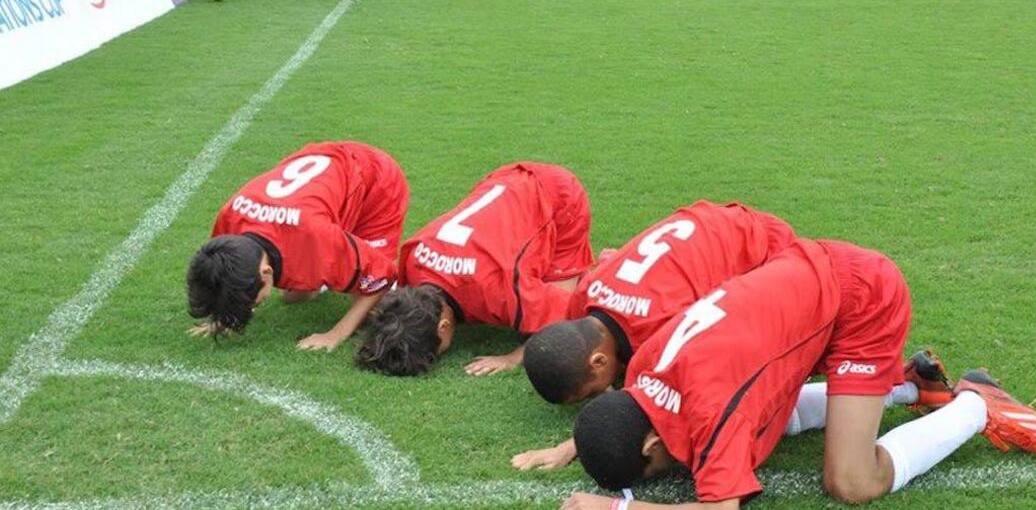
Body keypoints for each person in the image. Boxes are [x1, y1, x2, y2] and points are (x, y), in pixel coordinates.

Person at [564, 239, 1036, 509]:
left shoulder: (709, 403)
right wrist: (578, 442)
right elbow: (634, 412)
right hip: (806, 277)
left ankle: (977, 402)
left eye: (659, 466)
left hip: (862, 298)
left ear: (651, 445)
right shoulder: (647, 367)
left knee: (851, 481)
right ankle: (913, 385)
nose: (675, 469)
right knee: (747, 429)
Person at [516, 201, 801, 471]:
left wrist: (570, 446)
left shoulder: (659, 331)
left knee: (746, 368)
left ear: (599, 361)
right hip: (713, 223)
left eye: (591, 392)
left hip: (767, 249)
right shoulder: (586, 294)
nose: (600, 395)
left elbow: (658, 400)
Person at [355, 162, 594, 377]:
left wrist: (512, 358)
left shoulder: (499, 290)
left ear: (444, 327)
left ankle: (608, 266)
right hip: (502, 178)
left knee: (558, 326)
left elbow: (566, 314)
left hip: (557, 195)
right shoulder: (414, 260)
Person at [187, 141, 409, 351]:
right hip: (321, 166)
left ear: (266, 272)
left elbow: (382, 277)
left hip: (375, 178)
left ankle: (325, 278)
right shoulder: (228, 222)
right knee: (294, 295)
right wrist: (225, 314)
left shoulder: (315, 236)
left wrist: (336, 334)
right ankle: (314, 283)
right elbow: (223, 278)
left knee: (373, 307)